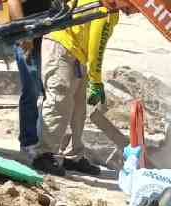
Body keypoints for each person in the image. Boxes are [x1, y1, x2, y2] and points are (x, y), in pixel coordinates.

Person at [31, 0, 117, 176]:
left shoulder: (113, 11)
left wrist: (94, 77)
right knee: (59, 102)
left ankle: (72, 155)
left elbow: (96, 47)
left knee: (78, 109)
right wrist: (96, 80)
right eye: (132, 7)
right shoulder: (102, 9)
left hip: (78, 54)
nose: (133, 12)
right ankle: (44, 155)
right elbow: (96, 48)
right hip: (62, 47)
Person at [6, 0, 49, 157]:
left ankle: (46, 143)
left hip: (51, 38)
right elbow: (13, 2)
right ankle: (29, 142)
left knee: (52, 93)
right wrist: (24, 33)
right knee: (32, 90)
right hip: (29, 39)